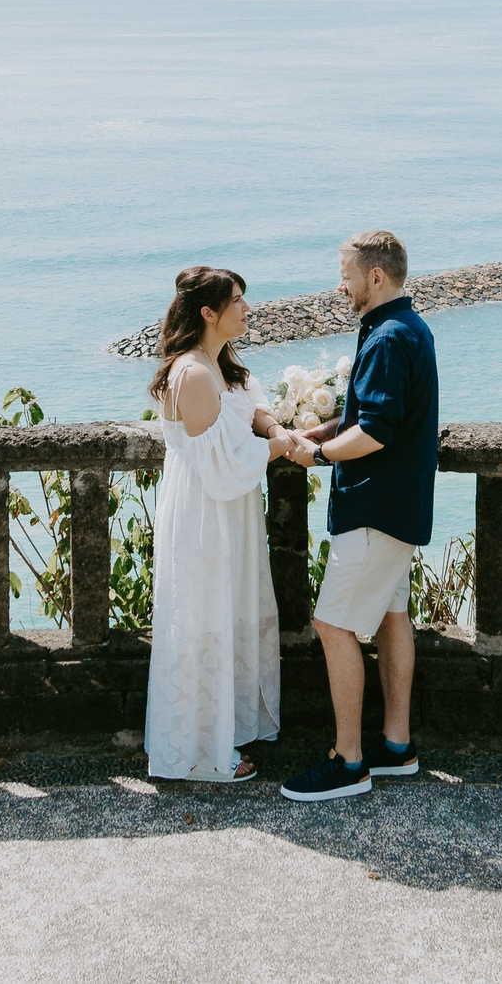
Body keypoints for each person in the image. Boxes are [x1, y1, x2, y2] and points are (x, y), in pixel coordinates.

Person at [280, 230, 436, 802]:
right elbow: (361, 414)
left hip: (374, 505)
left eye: (345, 273)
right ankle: (395, 746)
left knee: (333, 624)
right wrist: (318, 431)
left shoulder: (389, 337)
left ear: (376, 275)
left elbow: (374, 431)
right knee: (394, 615)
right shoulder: (405, 327)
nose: (339, 284)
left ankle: (350, 762)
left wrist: (318, 454)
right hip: (400, 505)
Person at [144, 266, 307, 782]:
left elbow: (249, 407)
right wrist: (281, 447)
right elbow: (220, 463)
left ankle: (223, 731)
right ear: (208, 313)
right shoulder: (191, 373)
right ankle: (201, 752)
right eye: (236, 301)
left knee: (225, 614)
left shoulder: (220, 362)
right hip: (204, 511)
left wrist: (275, 426)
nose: (247, 308)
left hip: (226, 508)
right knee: (200, 619)